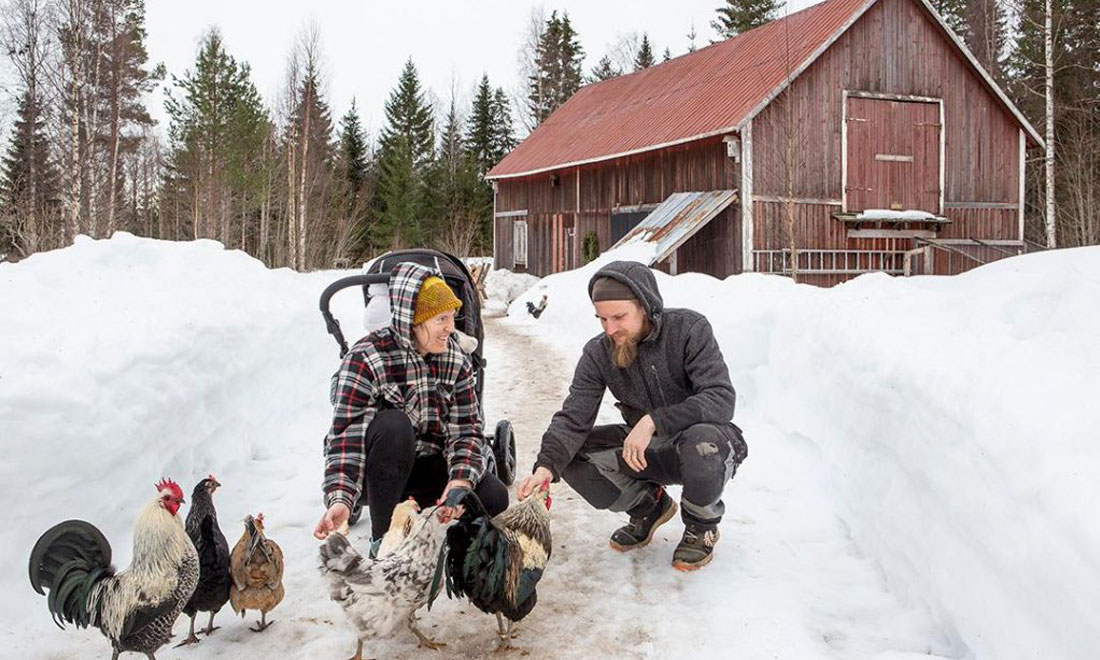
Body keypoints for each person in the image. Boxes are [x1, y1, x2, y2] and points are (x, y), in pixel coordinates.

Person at [518, 261, 747, 571]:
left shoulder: (689, 329)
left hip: (702, 445)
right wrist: (546, 466)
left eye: (619, 317)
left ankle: (700, 526)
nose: (610, 329)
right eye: (602, 319)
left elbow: (720, 398)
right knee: (570, 457)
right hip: (645, 452)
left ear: (645, 307)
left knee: (703, 445)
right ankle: (649, 508)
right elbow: (573, 417)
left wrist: (653, 421)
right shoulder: (598, 353)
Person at [314, 262, 508, 552]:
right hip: (378, 476)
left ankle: (445, 541)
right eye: (441, 319)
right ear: (413, 320)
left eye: (452, 317)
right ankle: (383, 544)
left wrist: (460, 481)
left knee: (495, 496)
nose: (450, 328)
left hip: (428, 469)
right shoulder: (365, 359)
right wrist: (341, 498)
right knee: (394, 425)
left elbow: (466, 431)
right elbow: (346, 440)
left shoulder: (455, 359)